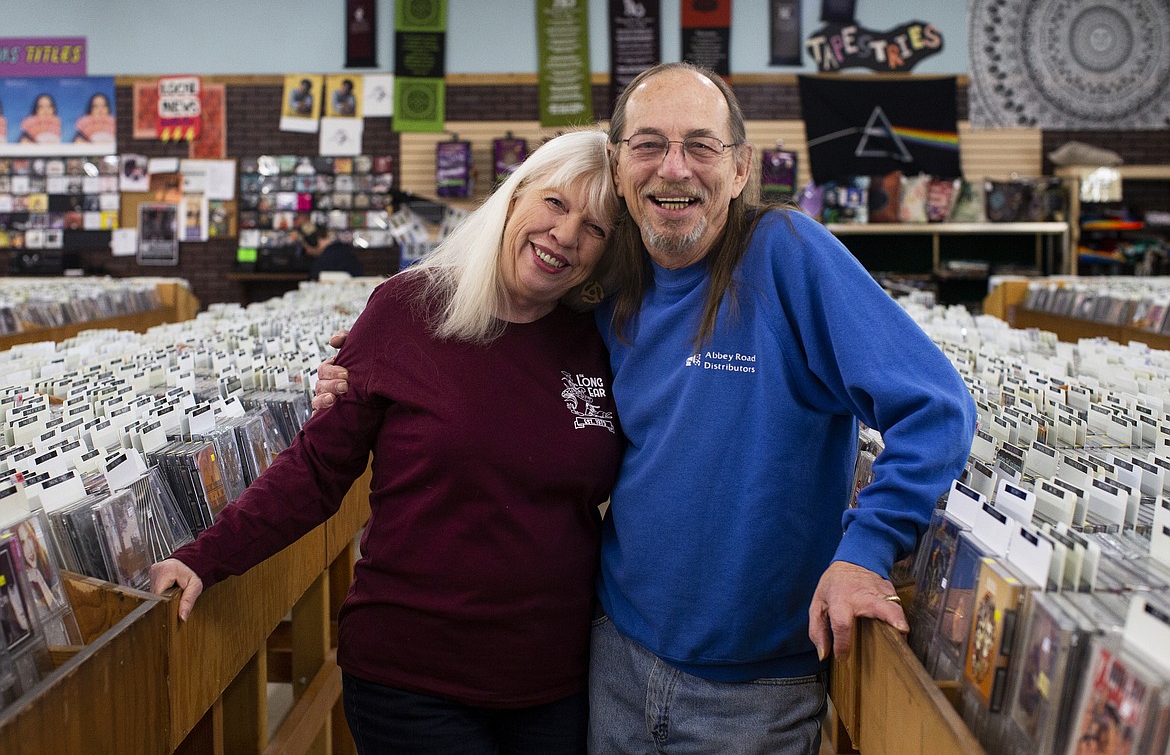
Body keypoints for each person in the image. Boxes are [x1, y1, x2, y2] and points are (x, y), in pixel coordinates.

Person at [315, 62, 977, 753]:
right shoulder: (605, 283)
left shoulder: (787, 254)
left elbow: (937, 409)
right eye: (649, 144)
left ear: (741, 167)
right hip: (612, 662)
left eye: (700, 145)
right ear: (618, 161)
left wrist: (867, 550)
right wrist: (370, 362)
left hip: (753, 692)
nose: (675, 168)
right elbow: (509, 345)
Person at [150, 129, 626, 754]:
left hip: (554, 683)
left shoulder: (607, 338)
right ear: (512, 200)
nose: (565, 235)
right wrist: (205, 555)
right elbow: (318, 468)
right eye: (556, 204)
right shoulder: (408, 309)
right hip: (411, 679)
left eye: (594, 227)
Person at [296, 221, 364, 280]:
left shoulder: (322, 263)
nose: (307, 251)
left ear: (313, 242)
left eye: (306, 247)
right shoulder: (346, 251)